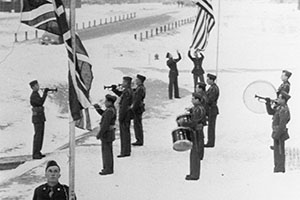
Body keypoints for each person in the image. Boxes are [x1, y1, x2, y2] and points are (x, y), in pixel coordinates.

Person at [179, 93, 206, 181]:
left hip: (196, 132)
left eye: (193, 99)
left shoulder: (198, 109)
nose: (192, 100)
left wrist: (183, 123)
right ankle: (193, 173)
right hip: (197, 131)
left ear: (197, 100)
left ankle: (194, 175)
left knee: (195, 153)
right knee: (194, 153)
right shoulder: (198, 108)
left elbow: (194, 122)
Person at [265, 91, 291, 173]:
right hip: (277, 133)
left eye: (279, 98)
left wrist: (277, 135)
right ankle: (277, 169)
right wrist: (268, 103)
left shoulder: (284, 109)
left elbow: (282, 124)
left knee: (279, 153)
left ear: (283, 100)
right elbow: (270, 112)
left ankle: (280, 170)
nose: (277, 99)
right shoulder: (279, 107)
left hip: (280, 134)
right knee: (276, 153)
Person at [94, 94, 117, 175]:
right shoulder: (110, 110)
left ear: (110, 102)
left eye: (106, 101)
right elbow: (104, 114)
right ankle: (107, 168)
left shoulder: (110, 111)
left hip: (107, 134)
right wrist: (97, 108)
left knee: (106, 152)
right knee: (107, 152)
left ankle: (108, 169)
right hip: (109, 133)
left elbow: (105, 124)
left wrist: (99, 134)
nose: (105, 103)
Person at [112, 76, 133, 158]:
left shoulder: (127, 91)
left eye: (123, 82)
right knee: (126, 133)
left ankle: (124, 151)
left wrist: (121, 116)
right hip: (127, 114)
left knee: (124, 133)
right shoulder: (128, 90)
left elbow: (124, 105)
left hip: (125, 114)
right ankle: (127, 150)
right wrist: (115, 90)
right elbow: (122, 95)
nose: (122, 83)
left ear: (127, 82)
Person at [29, 80, 49, 159]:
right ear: (33, 87)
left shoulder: (36, 94)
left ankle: (38, 152)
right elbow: (40, 102)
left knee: (40, 135)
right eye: (36, 85)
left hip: (39, 117)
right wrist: (45, 93)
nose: (38, 86)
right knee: (38, 136)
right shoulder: (34, 95)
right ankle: (35, 153)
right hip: (37, 118)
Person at [131, 74, 146, 146]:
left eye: (137, 80)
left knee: (137, 125)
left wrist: (133, 108)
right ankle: (139, 139)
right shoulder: (139, 88)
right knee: (137, 124)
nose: (136, 81)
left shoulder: (140, 89)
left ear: (140, 81)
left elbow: (137, 100)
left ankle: (139, 140)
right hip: (139, 107)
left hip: (138, 108)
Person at [205, 73, 219, 148]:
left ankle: (210, 142)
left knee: (211, 127)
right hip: (211, 109)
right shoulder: (212, 87)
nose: (207, 80)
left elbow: (210, 99)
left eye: (208, 79)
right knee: (211, 126)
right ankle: (210, 141)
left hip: (212, 109)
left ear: (211, 80)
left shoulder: (214, 88)